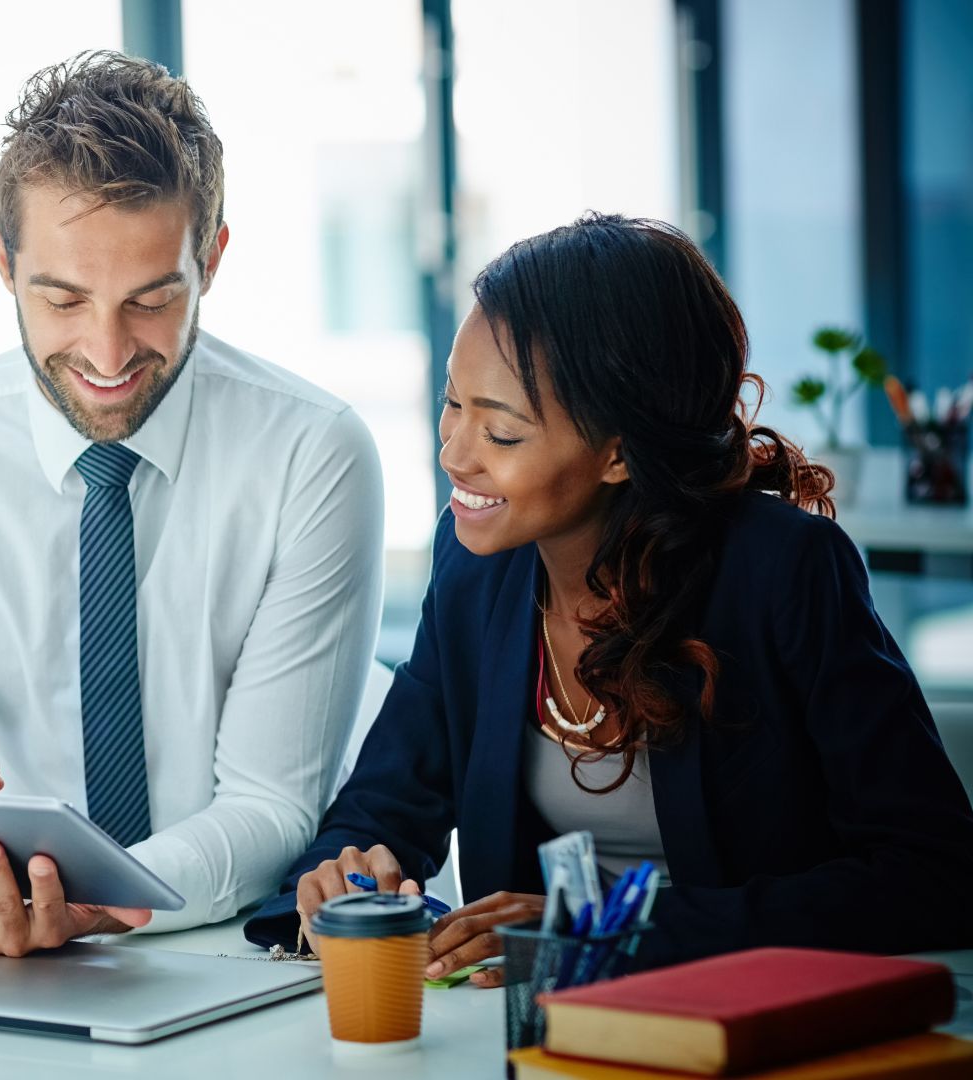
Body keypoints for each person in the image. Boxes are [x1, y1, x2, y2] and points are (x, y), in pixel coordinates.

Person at [244, 213, 973, 981]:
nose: (454, 453)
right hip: (547, 1034)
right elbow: (382, 809)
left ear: (619, 452)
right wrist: (335, 880)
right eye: (453, 404)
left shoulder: (782, 571)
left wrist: (603, 935)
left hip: (758, 1030)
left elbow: (935, 871)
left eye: (503, 433)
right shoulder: (475, 571)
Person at [0, 51, 385, 956]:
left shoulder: (313, 453)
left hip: (236, 947)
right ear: (1, 260)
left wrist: (101, 902)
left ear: (210, 258)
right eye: (61, 298)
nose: (106, 352)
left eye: (152, 298)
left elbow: (271, 805)